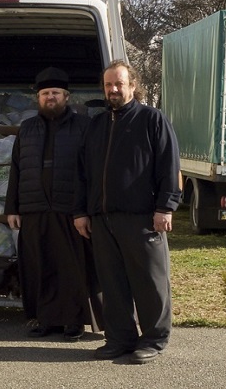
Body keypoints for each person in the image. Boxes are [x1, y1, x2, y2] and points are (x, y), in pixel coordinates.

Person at [74, 60, 181, 364]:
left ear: (133, 85)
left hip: (143, 218)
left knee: (150, 282)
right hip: (102, 219)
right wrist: (80, 212)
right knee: (113, 284)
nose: (113, 90)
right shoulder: (95, 125)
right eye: (108, 85)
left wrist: (166, 207)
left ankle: (154, 340)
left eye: (119, 83)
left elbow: (169, 167)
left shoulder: (152, 120)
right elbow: (82, 173)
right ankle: (119, 339)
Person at [5, 67, 103, 342]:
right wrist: (12, 207)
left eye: (55, 93)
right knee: (39, 267)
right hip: (34, 209)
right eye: (45, 93)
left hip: (69, 209)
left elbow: (91, 171)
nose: (50, 97)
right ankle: (45, 320)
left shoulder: (84, 126)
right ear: (38, 97)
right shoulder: (27, 128)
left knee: (71, 268)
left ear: (66, 96)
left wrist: (87, 209)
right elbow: (16, 168)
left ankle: (73, 322)